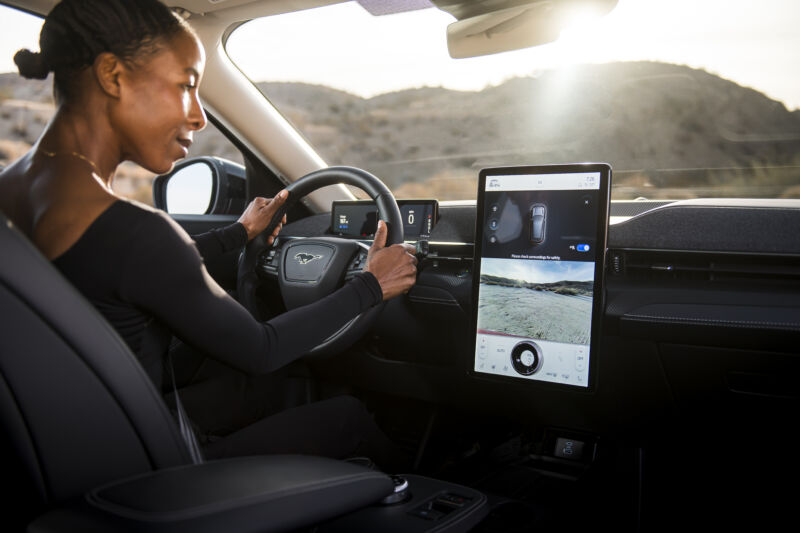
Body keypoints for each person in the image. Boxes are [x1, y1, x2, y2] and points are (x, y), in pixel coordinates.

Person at [0, 0, 418, 469]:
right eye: (186, 86)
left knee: (279, 388)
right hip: (146, 477)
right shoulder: (136, 232)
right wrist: (370, 286)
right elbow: (263, 348)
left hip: (73, 446)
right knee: (347, 418)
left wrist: (238, 235)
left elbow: (118, 269)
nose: (199, 116)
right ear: (112, 76)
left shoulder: (17, 194)